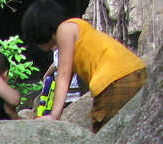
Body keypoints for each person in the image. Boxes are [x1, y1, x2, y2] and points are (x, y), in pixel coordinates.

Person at [21, 0, 146, 132]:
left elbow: (63, 75)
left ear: (39, 29)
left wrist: (53, 116)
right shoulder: (77, 26)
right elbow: (68, 78)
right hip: (137, 71)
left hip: (114, 81)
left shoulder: (64, 30)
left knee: (104, 137)